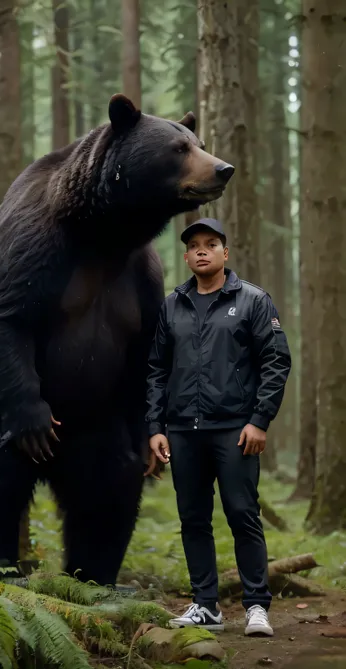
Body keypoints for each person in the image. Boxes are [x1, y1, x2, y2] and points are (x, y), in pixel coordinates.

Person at [144, 218, 291, 636]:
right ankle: (205, 605)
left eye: (211, 244)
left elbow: (276, 361)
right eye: (194, 245)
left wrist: (259, 420)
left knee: (243, 513)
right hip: (183, 431)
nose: (202, 250)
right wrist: (156, 426)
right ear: (187, 256)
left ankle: (256, 606)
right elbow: (156, 369)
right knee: (193, 518)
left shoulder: (252, 301)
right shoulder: (172, 305)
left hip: (235, 430)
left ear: (225, 253)